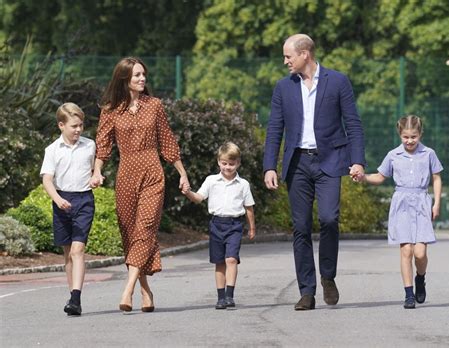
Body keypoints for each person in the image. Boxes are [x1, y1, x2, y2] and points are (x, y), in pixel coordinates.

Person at [263, 34, 366, 310]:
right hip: (297, 163)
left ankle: (328, 276)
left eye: (288, 56)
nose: (285, 61)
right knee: (301, 227)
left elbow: (353, 124)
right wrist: (270, 165)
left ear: (304, 54)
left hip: (330, 160)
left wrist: (357, 161)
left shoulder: (338, 81)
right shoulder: (283, 87)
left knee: (330, 219)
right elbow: (275, 128)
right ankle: (306, 291)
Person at [90, 57, 190, 313]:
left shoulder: (154, 105)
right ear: (124, 78)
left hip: (152, 172)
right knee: (131, 234)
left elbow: (167, 141)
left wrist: (182, 173)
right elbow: (103, 145)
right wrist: (97, 172)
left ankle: (128, 289)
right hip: (126, 175)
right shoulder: (111, 109)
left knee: (145, 228)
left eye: (143, 74)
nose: (142, 79)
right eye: (136, 75)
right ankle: (146, 291)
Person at [354, 115, 443, 309]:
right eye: (405, 137)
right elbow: (380, 176)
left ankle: (421, 278)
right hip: (401, 203)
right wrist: (363, 177)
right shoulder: (393, 155)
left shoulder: (429, 153)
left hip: (421, 202)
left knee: (420, 253)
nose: (409, 141)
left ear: (420, 134)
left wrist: (436, 204)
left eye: (413, 136)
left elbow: (436, 177)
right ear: (400, 135)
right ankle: (409, 294)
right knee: (407, 251)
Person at [183, 142, 256, 309]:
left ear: (238, 163)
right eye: (224, 163)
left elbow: (249, 207)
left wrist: (252, 228)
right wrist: (188, 193)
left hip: (234, 225)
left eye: (232, 164)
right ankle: (221, 297)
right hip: (216, 224)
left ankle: (230, 295)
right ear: (218, 162)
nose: (228, 167)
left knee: (231, 259)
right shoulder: (211, 181)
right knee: (219, 262)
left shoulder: (243, 184)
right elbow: (199, 198)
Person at [40, 102, 96, 316]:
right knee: (67, 254)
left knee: (77, 250)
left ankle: (75, 298)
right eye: (74, 126)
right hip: (61, 200)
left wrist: (96, 176)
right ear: (61, 125)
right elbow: (47, 179)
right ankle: (73, 295)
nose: (78, 130)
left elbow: (94, 168)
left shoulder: (89, 146)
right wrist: (57, 199)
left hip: (83, 200)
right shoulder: (52, 150)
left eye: (81, 125)